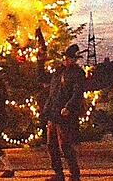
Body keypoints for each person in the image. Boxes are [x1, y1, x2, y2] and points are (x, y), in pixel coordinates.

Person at [43, 44, 86, 181]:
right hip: (53, 113)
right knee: (51, 146)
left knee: (65, 146)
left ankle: (74, 174)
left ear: (74, 59)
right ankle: (58, 173)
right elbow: (50, 90)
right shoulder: (58, 72)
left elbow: (77, 93)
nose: (65, 60)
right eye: (65, 58)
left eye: (68, 58)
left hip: (65, 115)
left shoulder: (78, 73)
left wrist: (68, 107)